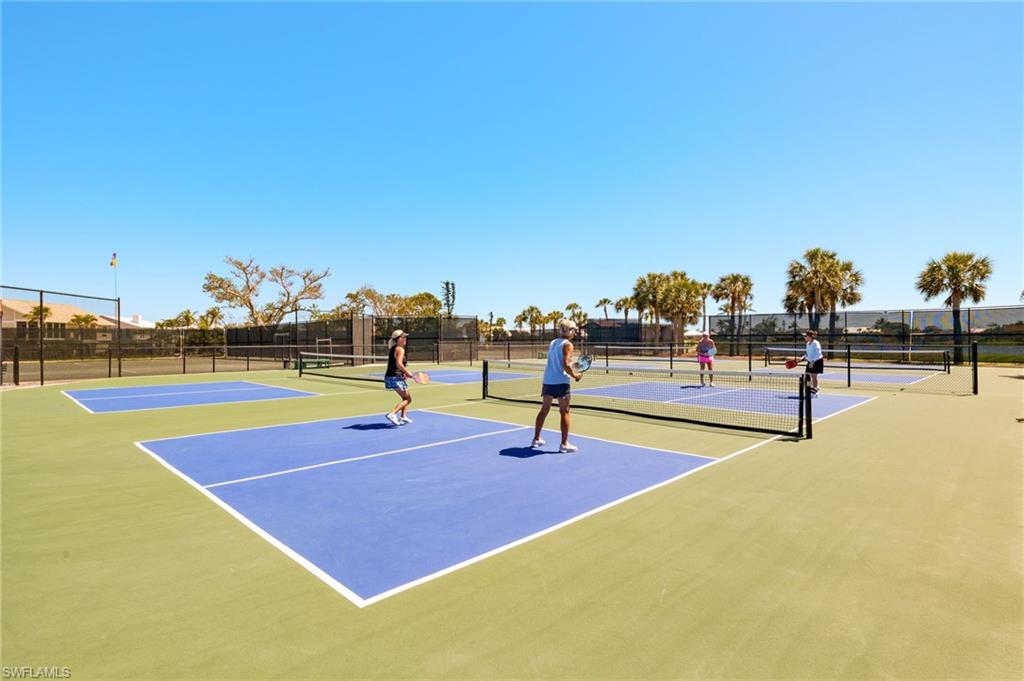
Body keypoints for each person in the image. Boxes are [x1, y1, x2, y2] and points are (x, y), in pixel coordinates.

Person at [532, 319, 583, 453]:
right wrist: (576, 376)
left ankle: (536, 439)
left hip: (548, 380)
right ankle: (564, 444)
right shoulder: (568, 345)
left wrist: (574, 366)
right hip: (561, 382)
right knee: (565, 411)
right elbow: (565, 365)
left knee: (544, 410)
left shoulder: (553, 342)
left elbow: (562, 363)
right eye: (574, 330)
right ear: (570, 331)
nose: (575, 333)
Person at [384, 330, 415, 425]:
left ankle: (403, 417)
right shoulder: (400, 349)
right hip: (394, 377)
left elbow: (395, 364)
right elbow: (399, 364)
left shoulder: (394, 348)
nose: (405, 339)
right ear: (398, 339)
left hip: (393, 377)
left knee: (405, 397)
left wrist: (403, 374)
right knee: (408, 399)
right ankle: (392, 414)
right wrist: (408, 373)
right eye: (403, 337)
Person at [796, 330, 823, 396]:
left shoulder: (816, 343)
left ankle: (815, 389)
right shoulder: (807, 344)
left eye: (806, 336)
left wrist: (813, 361)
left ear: (810, 337)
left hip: (817, 361)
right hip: (810, 361)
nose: (804, 337)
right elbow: (807, 354)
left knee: (813, 376)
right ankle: (811, 389)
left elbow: (818, 353)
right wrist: (801, 358)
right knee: (807, 375)